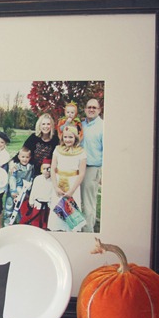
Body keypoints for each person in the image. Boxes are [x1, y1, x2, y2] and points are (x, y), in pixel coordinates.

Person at [48, 125, 87, 232]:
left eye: (70, 137)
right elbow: (53, 169)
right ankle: (57, 230)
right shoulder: (57, 150)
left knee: (70, 208)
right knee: (57, 206)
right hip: (58, 182)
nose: (67, 140)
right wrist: (56, 187)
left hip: (73, 184)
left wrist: (72, 191)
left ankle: (71, 230)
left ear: (75, 138)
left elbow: (81, 173)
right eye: (65, 137)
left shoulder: (81, 152)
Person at [80, 98, 104, 232]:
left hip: (92, 168)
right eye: (89, 107)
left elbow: (107, 151)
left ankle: (88, 232)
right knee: (77, 201)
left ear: (99, 110)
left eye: (94, 107)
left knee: (88, 203)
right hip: (77, 168)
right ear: (85, 109)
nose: (91, 109)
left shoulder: (102, 127)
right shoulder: (80, 125)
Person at [5, 147, 34, 225]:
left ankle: (20, 220)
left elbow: (31, 179)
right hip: (14, 188)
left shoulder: (31, 167)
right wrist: (13, 190)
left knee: (20, 205)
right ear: (18, 157)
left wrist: (28, 190)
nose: (25, 159)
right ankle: (7, 220)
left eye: (27, 157)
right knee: (10, 204)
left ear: (30, 158)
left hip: (23, 190)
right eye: (23, 157)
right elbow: (12, 178)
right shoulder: (16, 167)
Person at [23, 158, 54, 229]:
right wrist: (31, 201)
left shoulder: (53, 180)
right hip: (38, 204)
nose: (46, 171)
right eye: (44, 169)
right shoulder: (38, 179)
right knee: (35, 221)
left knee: (45, 221)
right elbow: (33, 190)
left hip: (48, 205)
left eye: (48, 169)